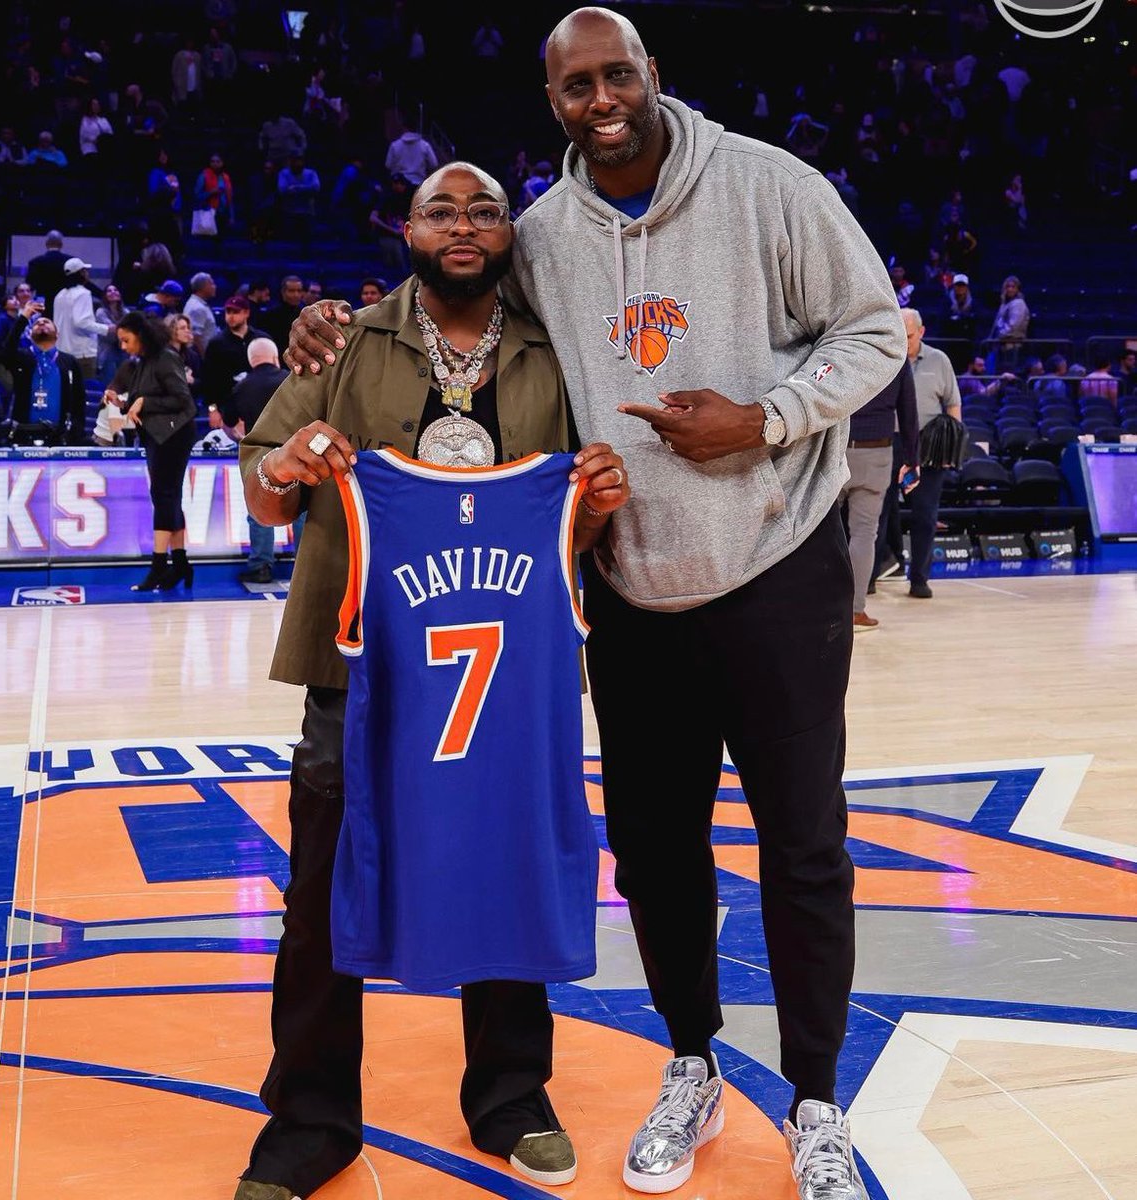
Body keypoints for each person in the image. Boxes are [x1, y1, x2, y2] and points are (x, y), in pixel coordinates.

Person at [286, 10, 906, 1198]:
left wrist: (766, 418)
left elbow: (877, 327)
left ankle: (817, 1100)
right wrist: (332, 324)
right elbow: (446, 296)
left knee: (804, 842)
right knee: (657, 850)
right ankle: (691, 1063)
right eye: (577, 84)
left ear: (654, 75)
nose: (602, 97)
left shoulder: (771, 186)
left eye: (619, 73)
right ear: (555, 99)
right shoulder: (545, 231)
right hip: (623, 582)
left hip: (775, 567)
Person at [234, 160, 629, 1200]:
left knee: (503, 863)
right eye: (441, 210)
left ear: (511, 234)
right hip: (356, 665)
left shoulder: (558, 351)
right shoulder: (346, 339)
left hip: (505, 668)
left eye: (485, 211)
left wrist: (594, 497)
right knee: (321, 889)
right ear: (405, 230)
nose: (464, 226)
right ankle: (311, 1120)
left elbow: (582, 530)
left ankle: (508, 1094)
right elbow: (265, 490)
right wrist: (292, 464)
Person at [112, 310, 197, 592]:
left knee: (163, 496)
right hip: (157, 434)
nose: (124, 347)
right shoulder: (144, 361)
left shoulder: (166, 357)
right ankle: (181, 564)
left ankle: (159, 566)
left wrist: (144, 402)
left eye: (126, 340)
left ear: (141, 334)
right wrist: (123, 402)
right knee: (170, 498)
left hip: (174, 434)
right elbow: (142, 402)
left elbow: (182, 400)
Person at [839, 360, 919, 630]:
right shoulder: (896, 356)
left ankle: (819, 608)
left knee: (821, 534)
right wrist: (912, 459)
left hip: (836, 451)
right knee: (864, 535)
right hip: (877, 455)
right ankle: (855, 611)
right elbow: (909, 412)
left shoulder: (843, 344)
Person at [898, 308, 961, 600]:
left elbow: (953, 406)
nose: (903, 340)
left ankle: (919, 578)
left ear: (921, 332)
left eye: (908, 335)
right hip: (892, 443)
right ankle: (878, 571)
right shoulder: (888, 357)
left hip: (930, 446)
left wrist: (952, 447)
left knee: (925, 515)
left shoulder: (939, 360)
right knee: (881, 513)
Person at [225, 337, 296, 583]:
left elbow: (229, 422)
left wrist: (240, 434)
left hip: (260, 454)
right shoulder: (291, 380)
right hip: (294, 452)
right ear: (275, 357)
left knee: (259, 509)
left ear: (251, 360)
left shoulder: (242, 386)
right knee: (303, 510)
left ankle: (261, 565)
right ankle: (305, 567)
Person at [1, 302, 86, 444]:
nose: (41, 323)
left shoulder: (69, 361)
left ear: (57, 334)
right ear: (29, 335)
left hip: (59, 436)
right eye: (36, 323)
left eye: (46, 322)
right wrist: (24, 318)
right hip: (23, 434)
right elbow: (6, 351)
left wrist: (76, 434)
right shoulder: (22, 357)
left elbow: (79, 400)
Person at [203, 294, 263, 429]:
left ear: (246, 313)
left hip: (258, 406)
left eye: (235, 312)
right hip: (227, 408)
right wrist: (213, 410)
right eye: (228, 312)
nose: (231, 316)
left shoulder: (261, 339)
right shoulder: (216, 344)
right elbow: (209, 382)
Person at [53, 257, 109, 379]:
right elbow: (81, 322)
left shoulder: (59, 295)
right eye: (85, 271)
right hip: (82, 354)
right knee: (84, 391)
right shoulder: (83, 293)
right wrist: (107, 329)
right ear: (81, 273)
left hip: (62, 352)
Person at [257, 276, 305, 357]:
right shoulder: (269, 315)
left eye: (299, 291)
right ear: (283, 292)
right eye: (291, 291)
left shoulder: (304, 314)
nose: (296, 295)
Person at [989, 274, 1030, 369]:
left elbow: (1013, 326)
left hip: (1012, 345)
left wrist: (999, 335)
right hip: (1002, 345)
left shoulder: (1018, 304)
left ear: (1017, 289)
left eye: (1013, 287)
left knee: (1009, 373)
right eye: (1008, 286)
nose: (1010, 289)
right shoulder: (1005, 303)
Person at [384, 116, 438, 185]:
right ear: (417, 128)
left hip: (400, 185)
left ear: (403, 128)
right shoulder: (425, 145)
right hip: (418, 184)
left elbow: (388, 165)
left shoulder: (394, 145)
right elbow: (434, 164)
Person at [25, 230, 70, 306]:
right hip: (65, 302)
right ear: (61, 244)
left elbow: (30, 285)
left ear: (46, 244)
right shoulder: (69, 261)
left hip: (43, 303)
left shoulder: (35, 262)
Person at [95, 283, 129, 383]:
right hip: (108, 351)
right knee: (110, 383)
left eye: (115, 290)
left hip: (124, 351)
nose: (113, 292)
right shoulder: (101, 312)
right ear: (105, 296)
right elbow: (111, 334)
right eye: (109, 291)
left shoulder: (126, 312)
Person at [165, 313, 202, 397]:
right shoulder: (162, 356)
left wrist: (192, 381)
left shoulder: (192, 355)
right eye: (182, 328)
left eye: (188, 327)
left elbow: (201, 382)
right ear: (172, 331)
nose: (187, 331)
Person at [183, 272, 218, 355]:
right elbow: (195, 338)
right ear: (203, 287)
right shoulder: (197, 307)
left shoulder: (199, 304)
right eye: (212, 284)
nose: (215, 287)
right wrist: (204, 359)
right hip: (200, 358)